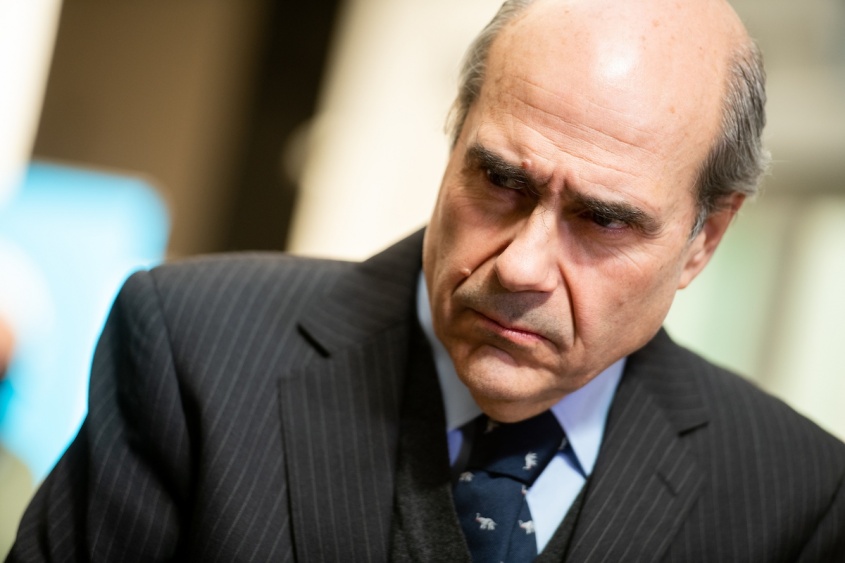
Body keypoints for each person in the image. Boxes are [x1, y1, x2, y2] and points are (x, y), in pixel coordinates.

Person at [8, 0, 845, 561]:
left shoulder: (797, 498)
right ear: (454, 139)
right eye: (500, 180)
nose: (519, 266)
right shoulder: (194, 350)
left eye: (602, 219)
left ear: (705, 238)